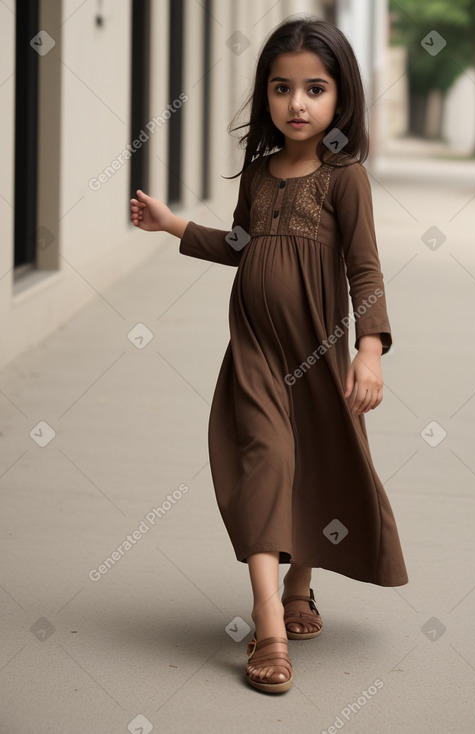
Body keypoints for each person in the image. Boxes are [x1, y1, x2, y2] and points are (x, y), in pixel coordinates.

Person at [129, 16, 408, 695]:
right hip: (253, 351)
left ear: (340, 97)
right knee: (265, 463)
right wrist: (173, 226)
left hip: (317, 352)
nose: (297, 104)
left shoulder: (345, 178)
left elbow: (364, 272)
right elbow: (239, 245)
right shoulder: (258, 174)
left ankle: (299, 586)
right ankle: (267, 623)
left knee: (315, 464)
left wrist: (368, 352)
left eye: (314, 88)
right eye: (281, 89)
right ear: (265, 96)